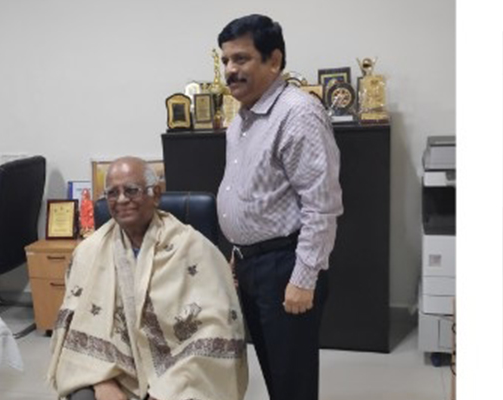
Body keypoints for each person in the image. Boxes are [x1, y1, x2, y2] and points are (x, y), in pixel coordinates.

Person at [216, 14, 343, 400]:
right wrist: (239, 251)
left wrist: (303, 279)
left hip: (285, 266)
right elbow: (250, 192)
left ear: (274, 60)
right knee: (274, 371)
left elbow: (321, 206)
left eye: (241, 59)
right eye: (225, 61)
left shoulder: (297, 114)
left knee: (293, 380)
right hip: (253, 264)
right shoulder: (242, 118)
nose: (230, 70)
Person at [48, 156, 248, 400]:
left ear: (155, 194)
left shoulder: (193, 247)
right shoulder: (89, 251)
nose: (121, 200)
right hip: (113, 365)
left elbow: (219, 324)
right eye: (112, 193)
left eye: (131, 190)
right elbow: (74, 320)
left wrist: (166, 391)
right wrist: (102, 380)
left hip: (182, 366)